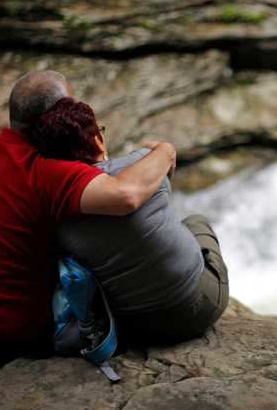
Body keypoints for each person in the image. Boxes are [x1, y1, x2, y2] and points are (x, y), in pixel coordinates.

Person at [0, 70, 176, 365]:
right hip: (11, 346)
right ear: (62, 114)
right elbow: (126, 194)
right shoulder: (50, 173)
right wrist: (165, 151)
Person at [30, 97, 229, 345]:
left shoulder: (52, 206)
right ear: (96, 139)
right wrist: (161, 150)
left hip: (138, 328)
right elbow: (162, 176)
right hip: (199, 308)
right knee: (196, 221)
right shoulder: (141, 162)